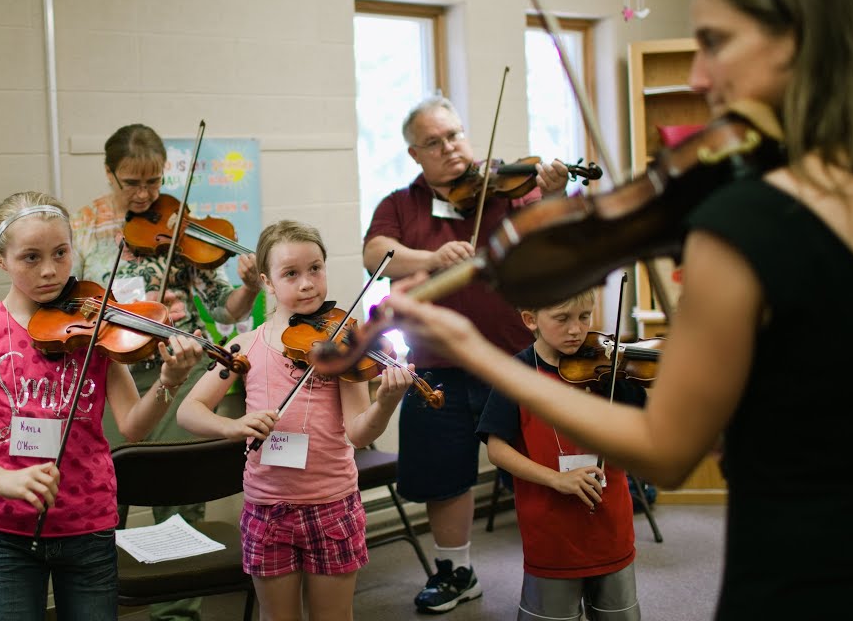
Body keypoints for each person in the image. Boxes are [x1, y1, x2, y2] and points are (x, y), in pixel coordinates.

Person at [378, 0, 853, 620]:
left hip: (807, 576)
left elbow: (664, 450)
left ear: (798, 42)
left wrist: (478, 353)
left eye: (716, 43)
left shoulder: (750, 221)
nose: (698, 75)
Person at [0, 190, 206, 620]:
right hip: (7, 530)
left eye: (61, 253)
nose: (50, 271)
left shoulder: (95, 327)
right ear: (0, 260)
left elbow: (132, 426)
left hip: (89, 525)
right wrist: (0, 479)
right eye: (30, 258)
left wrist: (170, 380)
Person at [363, 95, 570, 613]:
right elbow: (376, 254)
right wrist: (430, 257)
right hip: (435, 367)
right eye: (434, 142)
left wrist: (554, 194)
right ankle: (456, 573)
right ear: (415, 154)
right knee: (443, 473)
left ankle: (558, 566)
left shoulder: (507, 190)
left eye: (454, 135)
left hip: (512, 361)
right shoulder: (401, 203)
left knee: (535, 467)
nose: (450, 148)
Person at [70, 123, 261, 621]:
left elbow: (223, 307)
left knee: (180, 495)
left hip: (178, 371)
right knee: (105, 498)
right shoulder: (84, 225)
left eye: (154, 182)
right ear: (108, 172)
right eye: (132, 183)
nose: (145, 194)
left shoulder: (179, 223)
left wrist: (251, 287)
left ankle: (178, 612)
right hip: (112, 378)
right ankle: (99, 604)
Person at [177, 219, 413, 621]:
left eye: (315, 269)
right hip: (267, 509)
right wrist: (232, 426)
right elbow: (189, 411)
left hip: (332, 505)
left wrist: (386, 403)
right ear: (267, 282)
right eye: (291, 274)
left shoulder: (343, 343)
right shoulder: (243, 346)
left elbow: (358, 432)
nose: (307, 284)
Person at [477, 287, 644, 621]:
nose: (576, 330)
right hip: (550, 530)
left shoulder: (607, 372)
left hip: (610, 522)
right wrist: (556, 479)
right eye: (562, 318)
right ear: (530, 319)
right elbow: (497, 449)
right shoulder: (517, 375)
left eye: (584, 317)